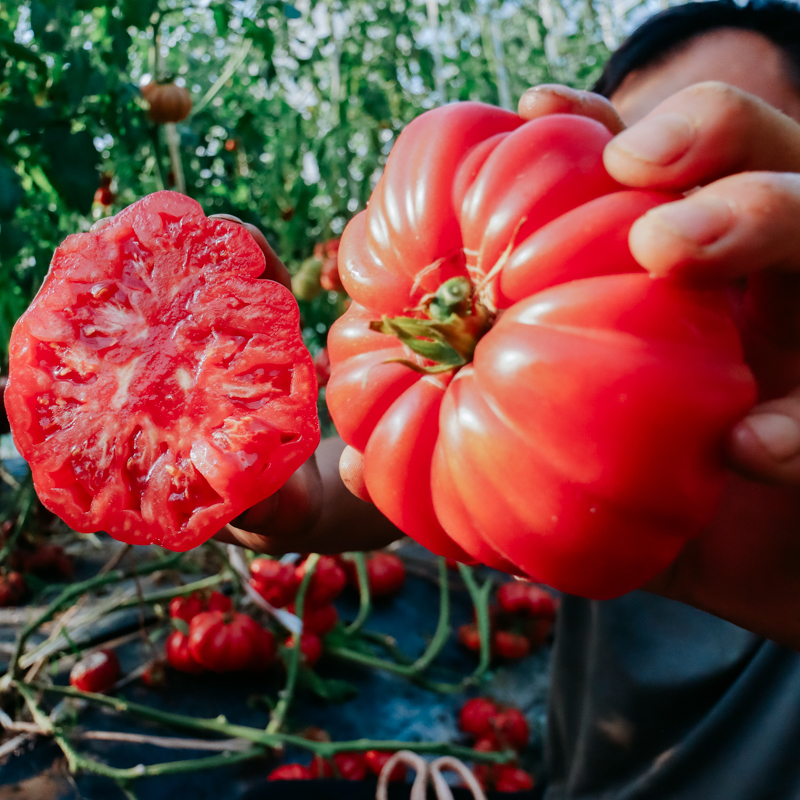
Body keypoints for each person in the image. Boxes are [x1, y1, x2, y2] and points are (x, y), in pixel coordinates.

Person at [219, 1, 800, 796]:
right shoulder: (508, 433)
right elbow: (397, 468)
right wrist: (299, 493)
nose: (665, 231)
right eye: (631, 179)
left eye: (718, 191)